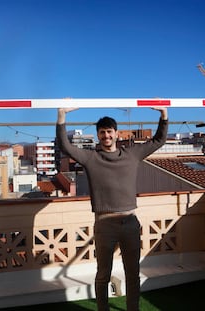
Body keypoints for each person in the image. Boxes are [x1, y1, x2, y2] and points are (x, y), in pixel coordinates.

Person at [56, 106, 168, 311]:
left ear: (116, 133)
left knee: (133, 273)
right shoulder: (91, 158)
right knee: (103, 274)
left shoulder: (132, 154)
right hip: (104, 224)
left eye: (109, 131)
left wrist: (163, 115)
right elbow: (64, 145)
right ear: (98, 136)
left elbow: (158, 141)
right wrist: (62, 116)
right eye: (102, 132)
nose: (106, 135)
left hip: (130, 223)